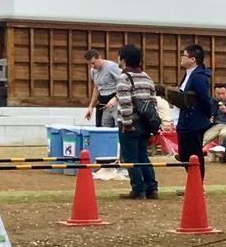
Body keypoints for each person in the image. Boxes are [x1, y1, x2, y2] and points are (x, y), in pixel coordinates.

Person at [112, 43, 160, 201]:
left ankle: (138, 189)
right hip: (146, 124)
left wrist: (126, 123)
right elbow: (153, 103)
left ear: (123, 59)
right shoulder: (147, 77)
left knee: (131, 157)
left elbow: (125, 103)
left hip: (130, 124)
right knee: (143, 156)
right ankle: (151, 188)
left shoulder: (124, 78)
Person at [168, 42, 217, 177]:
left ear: (192, 59)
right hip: (185, 119)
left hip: (195, 120)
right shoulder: (188, 74)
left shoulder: (198, 76)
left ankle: (198, 185)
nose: (181, 58)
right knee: (184, 154)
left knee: (194, 153)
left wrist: (209, 114)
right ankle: (193, 182)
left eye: (183, 55)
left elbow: (204, 98)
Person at [84, 47, 123, 126]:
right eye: (90, 64)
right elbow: (96, 88)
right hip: (103, 101)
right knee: (102, 126)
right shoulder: (93, 71)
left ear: (99, 58)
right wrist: (91, 106)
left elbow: (124, 82)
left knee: (118, 126)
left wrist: (116, 98)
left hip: (115, 99)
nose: (92, 66)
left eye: (93, 63)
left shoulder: (111, 66)